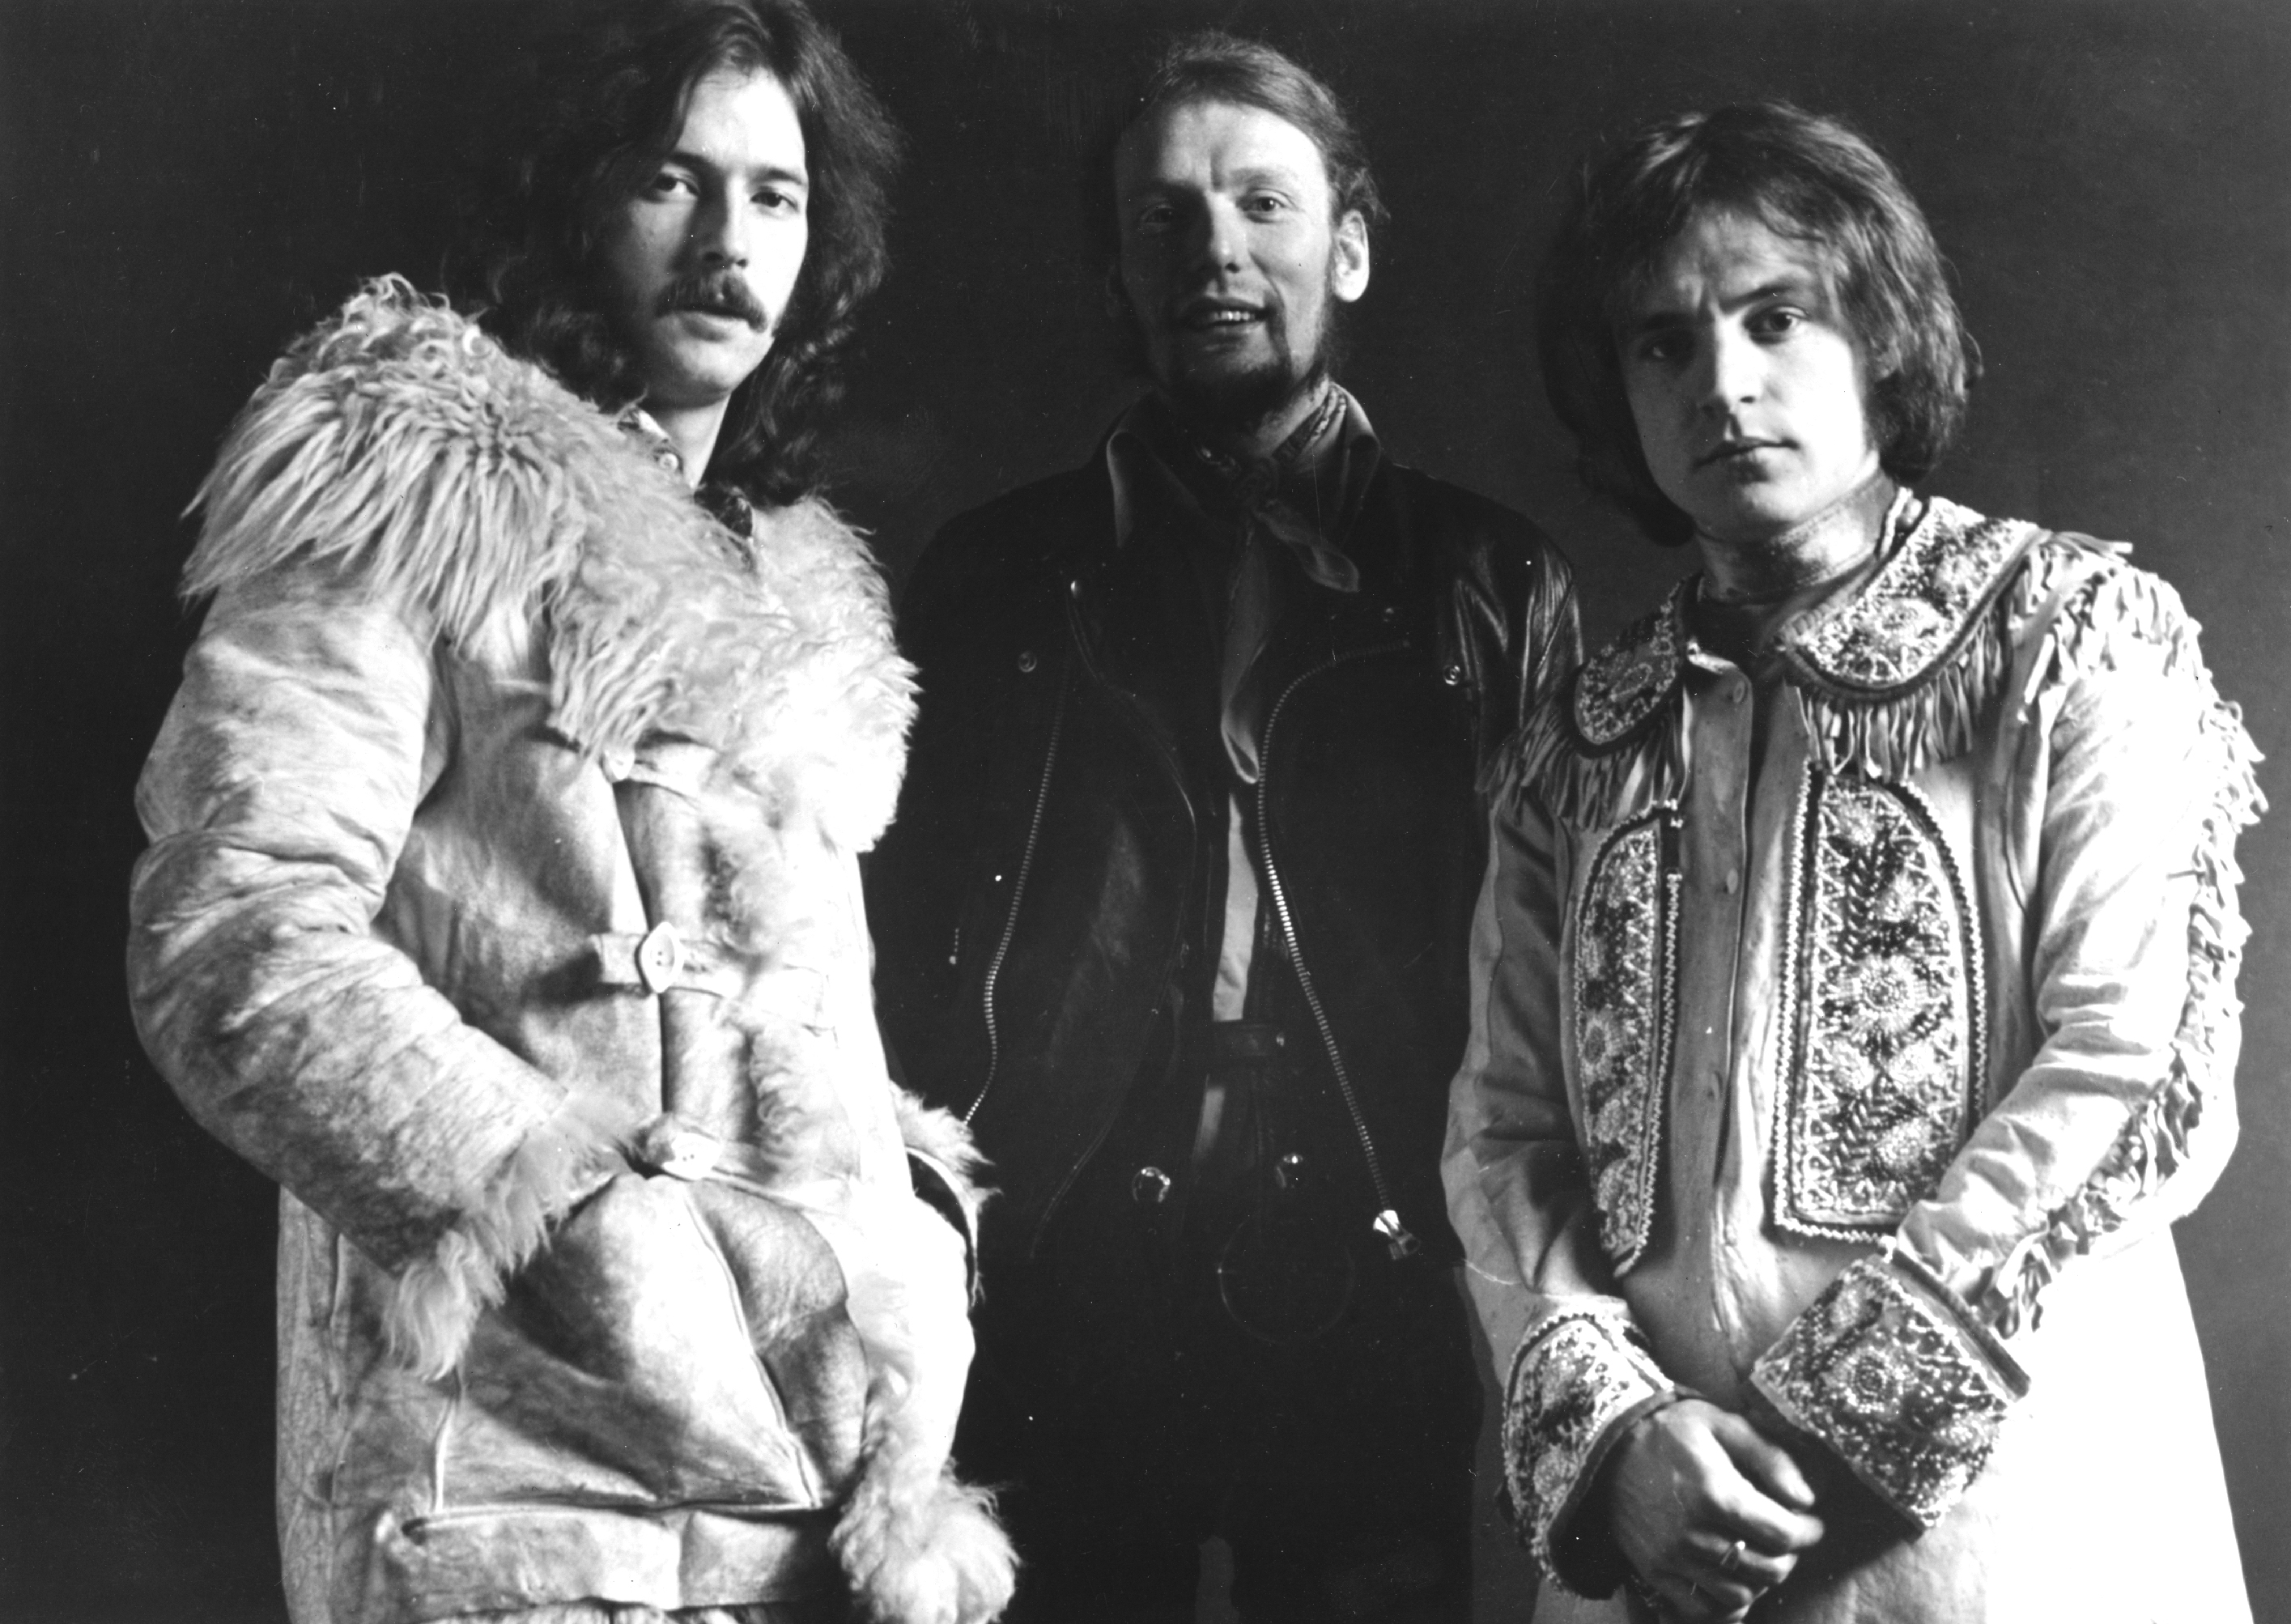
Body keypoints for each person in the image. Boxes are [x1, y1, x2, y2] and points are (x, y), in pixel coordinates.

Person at [124, 4, 1016, 1622]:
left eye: (775, 195)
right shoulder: (409, 485)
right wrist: (587, 1225)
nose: (727, 239)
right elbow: (235, 933)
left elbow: (807, 1043)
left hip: (799, 1501)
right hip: (513, 1487)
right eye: (672, 178)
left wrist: (904, 1248)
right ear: (574, 195)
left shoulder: (805, 597)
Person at [1443, 100, 2262, 1623]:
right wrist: (1619, 1442)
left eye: (1775, 318)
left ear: (1878, 336)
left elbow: (2131, 1062)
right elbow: (1502, 1128)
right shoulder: (1578, 740)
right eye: (1663, 344)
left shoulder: (2067, 637)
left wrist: (1826, 1423)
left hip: (2005, 1526)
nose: (1722, 384)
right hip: (1664, 1538)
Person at [865, 32, 1579, 1624]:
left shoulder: (1490, 580)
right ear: (1117, 274)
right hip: (1052, 1273)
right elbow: (895, 948)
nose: (1215, 253)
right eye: (1164, 218)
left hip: (1372, 1271)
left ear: (1349, 247)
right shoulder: (991, 576)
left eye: (1261, 203)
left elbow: (1553, 986)